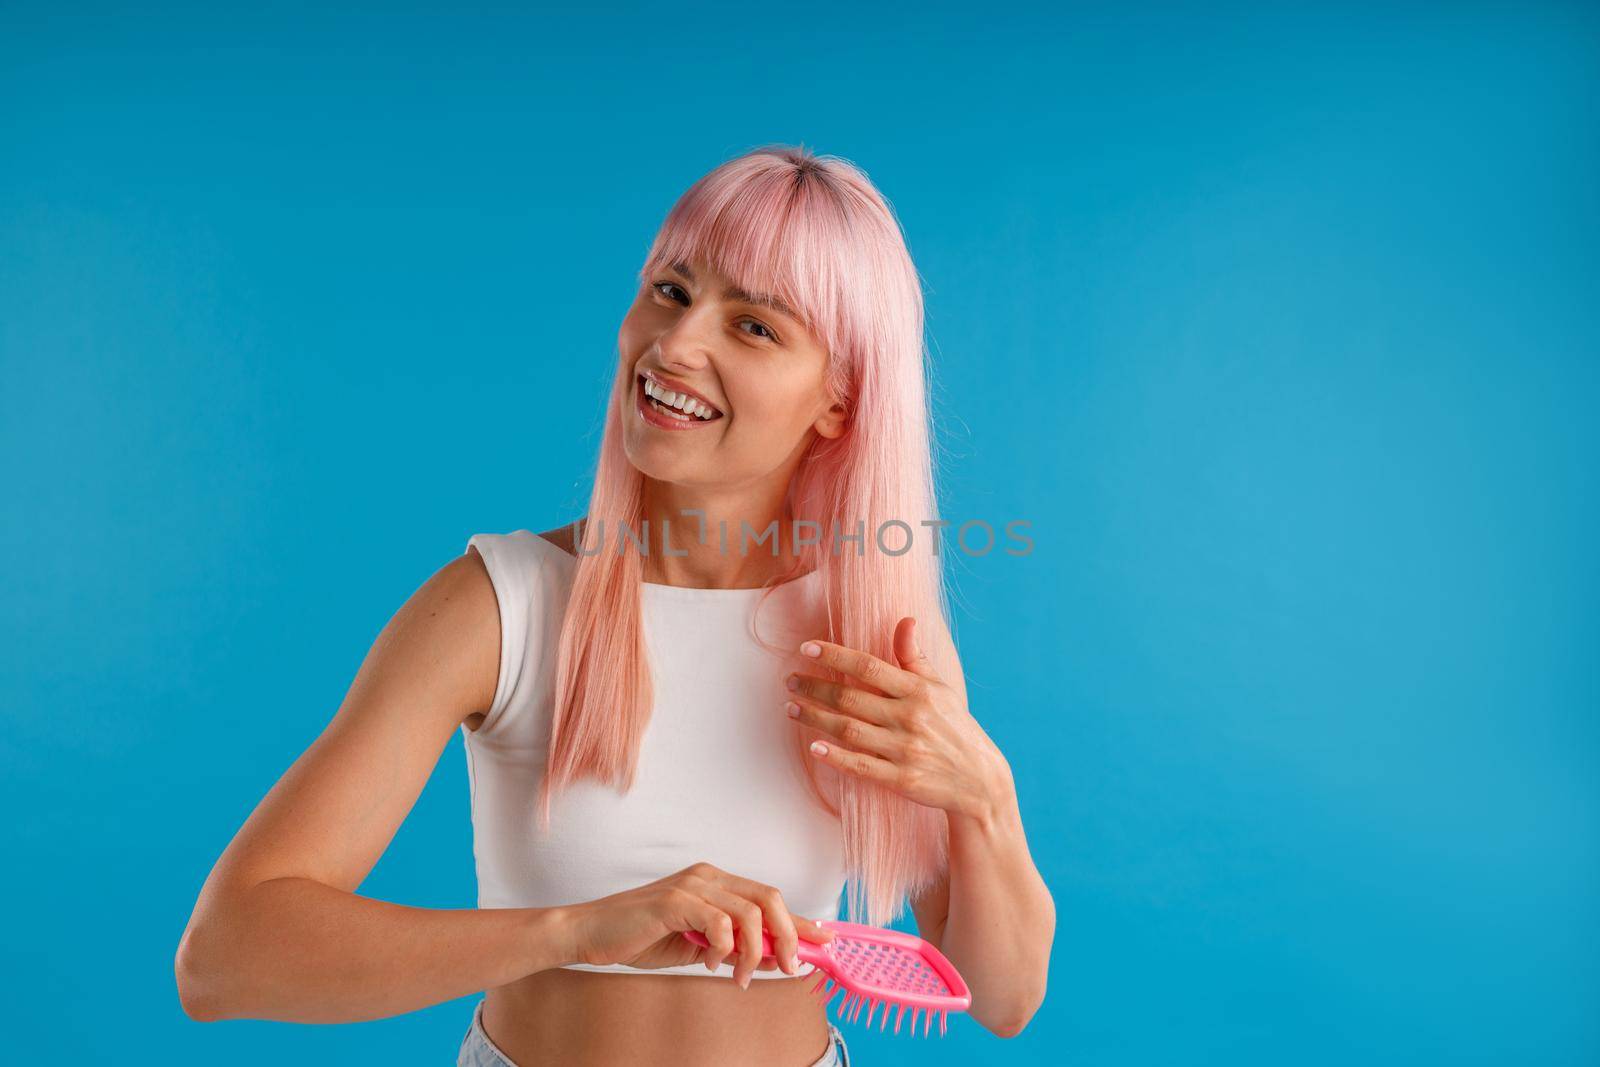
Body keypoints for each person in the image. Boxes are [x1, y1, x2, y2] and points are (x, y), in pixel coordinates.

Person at [174, 144, 1056, 1065]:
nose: (674, 344)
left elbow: (1000, 997)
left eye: (754, 326)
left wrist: (987, 797)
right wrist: (573, 930)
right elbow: (226, 957)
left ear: (838, 401)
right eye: (671, 291)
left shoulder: (876, 633)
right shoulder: (498, 606)